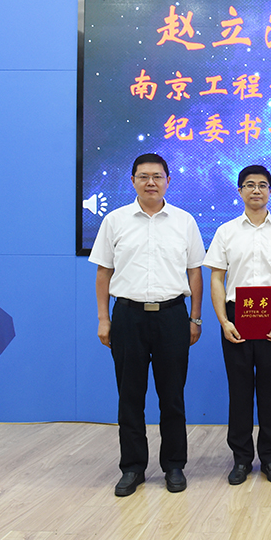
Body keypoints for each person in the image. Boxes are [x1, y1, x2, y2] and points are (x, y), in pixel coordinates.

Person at [89, 152, 204, 497]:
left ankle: (174, 466)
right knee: (130, 396)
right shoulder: (115, 221)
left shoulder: (184, 221)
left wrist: (195, 318)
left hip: (172, 316)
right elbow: (104, 272)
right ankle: (133, 467)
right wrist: (104, 319)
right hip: (128, 316)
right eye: (143, 176)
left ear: (168, 180)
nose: (151, 182)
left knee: (172, 397)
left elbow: (195, 272)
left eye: (157, 176)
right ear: (133, 181)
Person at [203, 165, 271, 485]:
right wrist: (223, 320)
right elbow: (217, 278)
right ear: (239, 191)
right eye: (249, 185)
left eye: (262, 185)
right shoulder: (226, 231)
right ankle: (241, 459)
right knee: (240, 391)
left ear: (270, 191)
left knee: (270, 391)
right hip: (236, 316)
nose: (256, 190)